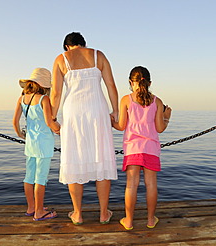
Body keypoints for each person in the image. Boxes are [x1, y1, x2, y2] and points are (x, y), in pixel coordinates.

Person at [50, 32, 118, 225]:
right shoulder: (98, 55)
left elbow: (56, 93)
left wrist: (53, 118)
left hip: (74, 112)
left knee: (75, 158)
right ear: (83, 44)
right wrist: (116, 111)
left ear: (66, 47)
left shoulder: (61, 59)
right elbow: (111, 85)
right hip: (97, 110)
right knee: (101, 159)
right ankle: (104, 213)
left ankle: (78, 213)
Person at [111, 66, 172, 230]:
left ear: (131, 82)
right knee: (151, 184)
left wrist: (111, 121)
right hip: (150, 148)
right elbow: (159, 128)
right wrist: (166, 118)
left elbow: (121, 125)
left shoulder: (126, 100)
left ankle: (129, 221)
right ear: (150, 82)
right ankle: (151, 220)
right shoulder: (157, 101)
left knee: (131, 185)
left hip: (132, 149)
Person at [12, 68, 60, 221]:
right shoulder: (43, 99)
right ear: (43, 84)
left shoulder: (22, 98)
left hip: (30, 143)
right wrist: (60, 130)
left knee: (29, 177)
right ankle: (39, 212)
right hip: (44, 144)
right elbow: (49, 122)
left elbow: (14, 121)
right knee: (41, 178)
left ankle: (31, 207)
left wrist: (21, 134)